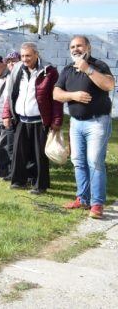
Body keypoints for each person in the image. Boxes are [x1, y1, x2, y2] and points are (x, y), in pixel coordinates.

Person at [54, 35, 115, 219]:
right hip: (75, 123)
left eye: (79, 45)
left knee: (95, 162)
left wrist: (87, 69)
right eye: (72, 46)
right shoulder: (67, 69)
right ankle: (82, 198)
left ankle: (97, 204)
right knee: (78, 161)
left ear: (88, 47)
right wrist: (73, 96)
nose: (75, 49)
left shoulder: (99, 65)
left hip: (97, 122)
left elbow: (109, 84)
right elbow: (56, 93)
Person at [2, 42, 62, 195]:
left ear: (36, 54)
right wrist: (6, 114)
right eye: (22, 56)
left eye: (28, 55)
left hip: (39, 120)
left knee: (39, 155)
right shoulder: (17, 70)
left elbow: (56, 98)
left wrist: (56, 120)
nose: (25, 59)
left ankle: (39, 185)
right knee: (19, 153)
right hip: (21, 119)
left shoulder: (49, 71)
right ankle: (19, 181)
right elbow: (11, 95)